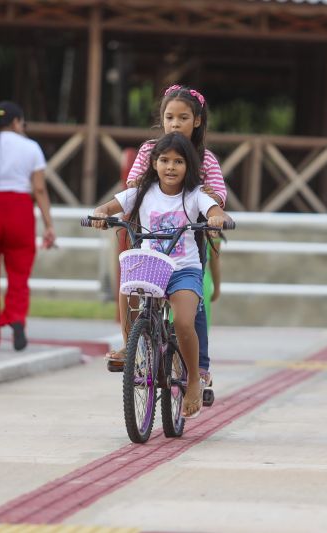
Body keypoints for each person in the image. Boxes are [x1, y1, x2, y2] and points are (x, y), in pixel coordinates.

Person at [91, 132, 232, 418]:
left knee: (183, 321)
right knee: (126, 288)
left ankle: (193, 379)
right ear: (153, 163)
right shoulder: (141, 192)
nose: (170, 167)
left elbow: (215, 209)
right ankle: (134, 350)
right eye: (164, 160)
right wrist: (100, 213)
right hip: (150, 265)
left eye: (178, 161)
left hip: (184, 269)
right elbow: (110, 206)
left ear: (188, 166)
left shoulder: (194, 196)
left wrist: (218, 217)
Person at [108, 84, 226, 388]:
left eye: (183, 118)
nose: (175, 124)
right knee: (130, 284)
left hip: (190, 234)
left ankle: (198, 365)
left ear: (197, 121)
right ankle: (131, 342)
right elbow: (134, 183)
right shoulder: (150, 149)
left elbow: (217, 196)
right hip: (151, 233)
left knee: (191, 305)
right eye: (170, 117)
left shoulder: (205, 157)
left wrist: (213, 211)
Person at [0, 101, 56, 351]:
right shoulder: (31, 147)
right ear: (16, 122)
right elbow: (39, 188)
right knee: (19, 272)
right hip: (19, 210)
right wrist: (49, 224)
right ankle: (16, 317)